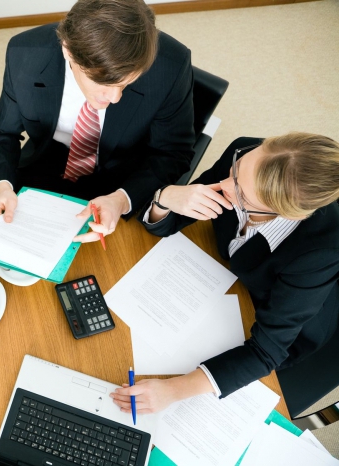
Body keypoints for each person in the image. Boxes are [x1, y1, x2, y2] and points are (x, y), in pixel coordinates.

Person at [106, 133, 339, 414]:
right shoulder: (244, 153)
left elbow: (266, 353)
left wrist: (173, 390)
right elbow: (175, 217)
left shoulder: (322, 252)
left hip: (278, 319)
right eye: (235, 170)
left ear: (286, 213)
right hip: (220, 281)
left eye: (240, 193)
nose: (223, 185)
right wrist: (165, 196)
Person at [0, 0, 195, 237]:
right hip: (44, 164)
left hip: (124, 179)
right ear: (68, 51)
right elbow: (3, 133)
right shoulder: (25, 53)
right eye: (104, 84)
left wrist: (122, 200)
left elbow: (173, 153)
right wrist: (3, 186)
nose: (115, 97)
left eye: (127, 82)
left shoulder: (171, 66)